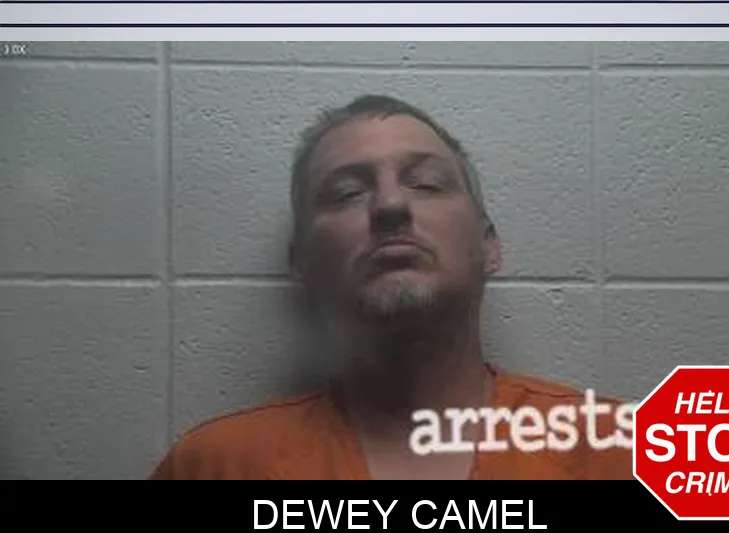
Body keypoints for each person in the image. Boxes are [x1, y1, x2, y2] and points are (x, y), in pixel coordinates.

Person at [149, 94, 633, 480]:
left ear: (488, 244)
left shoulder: (623, 453)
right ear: (302, 264)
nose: (390, 206)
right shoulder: (214, 467)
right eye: (347, 193)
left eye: (425, 183)